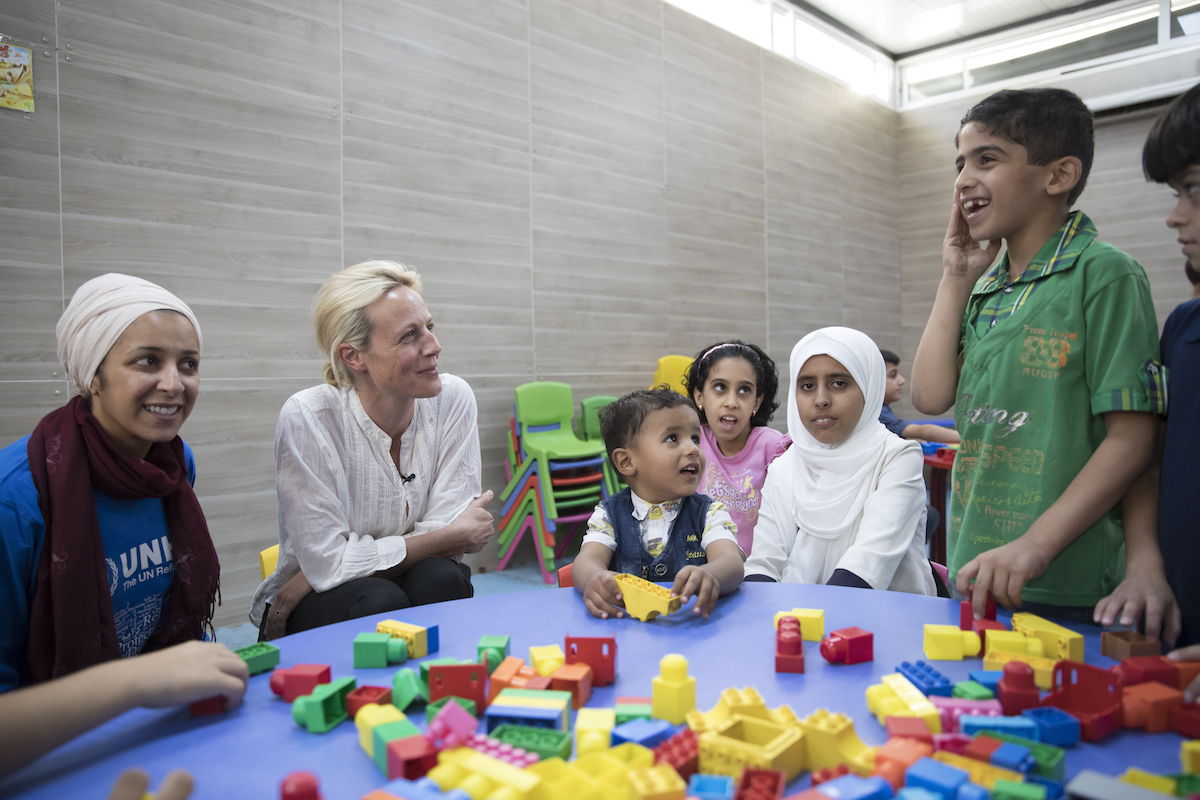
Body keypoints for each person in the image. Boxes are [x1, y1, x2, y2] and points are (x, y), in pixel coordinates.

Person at [910, 88, 1165, 623]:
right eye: (960, 163)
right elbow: (931, 396)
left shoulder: (1106, 274)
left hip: (1067, 583)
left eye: (987, 159)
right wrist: (956, 277)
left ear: (1059, 175)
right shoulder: (984, 287)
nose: (962, 180)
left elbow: (1134, 439)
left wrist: (1037, 545)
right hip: (974, 570)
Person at [0, 273, 246, 778]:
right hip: (54, 756)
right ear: (93, 376)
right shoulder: (17, 502)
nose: (173, 384)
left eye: (189, 364)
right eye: (147, 361)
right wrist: (137, 680)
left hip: (151, 724)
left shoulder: (174, 467)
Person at [252, 261, 494, 639]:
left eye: (429, 327)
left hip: (368, 581)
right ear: (353, 356)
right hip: (322, 601)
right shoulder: (308, 417)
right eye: (409, 336)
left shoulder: (453, 398)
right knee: (381, 601)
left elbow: (448, 538)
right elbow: (449, 537)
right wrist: (442, 539)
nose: (434, 346)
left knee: (441, 578)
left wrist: (333, 567)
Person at [1095, 83, 1200, 650]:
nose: (1175, 216)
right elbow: (1149, 462)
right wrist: (1144, 562)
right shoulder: (1184, 328)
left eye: (1193, 189)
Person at [743, 327, 937, 595]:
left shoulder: (897, 457)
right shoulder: (785, 466)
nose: (821, 400)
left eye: (839, 383)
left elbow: (867, 566)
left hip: (883, 621)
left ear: (868, 387)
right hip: (794, 619)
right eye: (807, 386)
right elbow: (764, 561)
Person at [572, 388, 745, 620]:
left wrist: (710, 574)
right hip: (627, 631)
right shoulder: (608, 515)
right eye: (673, 438)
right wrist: (594, 578)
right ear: (626, 462)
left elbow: (731, 562)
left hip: (692, 630)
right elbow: (587, 559)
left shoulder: (709, 513)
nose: (693, 448)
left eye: (695, 438)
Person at [683, 340, 789, 556]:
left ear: (757, 403)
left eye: (744, 390)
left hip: (757, 570)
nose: (731, 402)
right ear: (700, 396)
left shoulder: (772, 447)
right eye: (720, 387)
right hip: (700, 565)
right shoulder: (694, 441)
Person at [879, 350, 960, 444]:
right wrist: (968, 438)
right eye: (893, 375)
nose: (902, 381)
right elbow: (923, 431)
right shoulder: (879, 412)